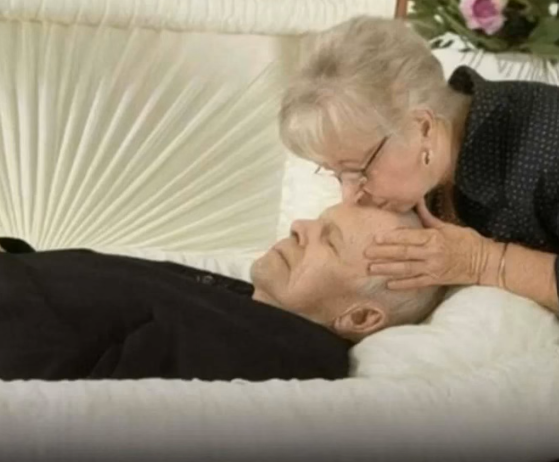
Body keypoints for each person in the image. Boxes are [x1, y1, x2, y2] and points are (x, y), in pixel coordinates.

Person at [279, 16, 559, 314]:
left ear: (423, 127)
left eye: (358, 171)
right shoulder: (414, 178)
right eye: (336, 175)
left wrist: (483, 262)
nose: (349, 196)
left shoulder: (547, 142)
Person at [0, 203, 443, 382]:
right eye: (317, 220)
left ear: (359, 317)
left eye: (330, 241)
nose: (299, 226)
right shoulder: (248, 307)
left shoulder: (292, 357)